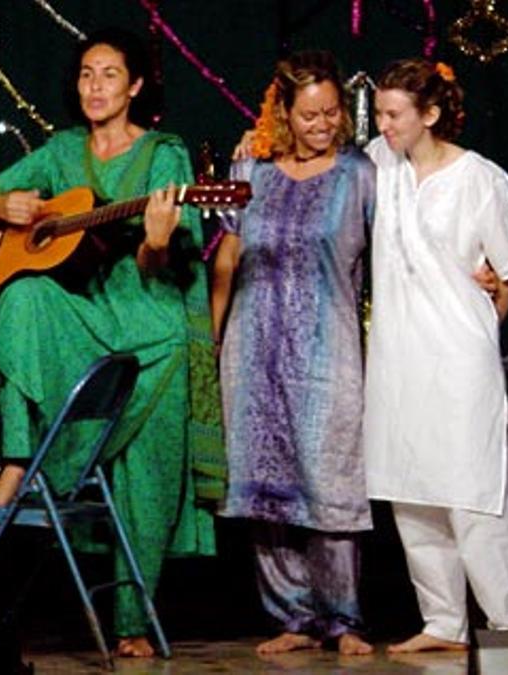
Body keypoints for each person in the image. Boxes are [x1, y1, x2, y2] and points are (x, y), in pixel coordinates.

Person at [0, 27, 222, 658]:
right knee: (22, 296)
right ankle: (18, 463)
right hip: (85, 317)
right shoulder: (62, 150)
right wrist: (4, 210)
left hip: (149, 326)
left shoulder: (164, 153)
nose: (95, 86)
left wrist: (155, 239)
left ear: (134, 87)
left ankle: (133, 622)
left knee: (144, 481)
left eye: (109, 75)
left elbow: (168, 262)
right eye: (86, 74)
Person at [363, 58, 508, 653]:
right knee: (412, 490)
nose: (382, 125)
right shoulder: (381, 164)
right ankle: (442, 622)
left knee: (474, 495)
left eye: (394, 115)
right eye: (379, 113)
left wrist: (477, 334)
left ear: (429, 115)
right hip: (397, 359)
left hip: (458, 359)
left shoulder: (481, 179)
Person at [211, 51, 375, 657]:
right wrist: (213, 335)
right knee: (266, 489)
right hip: (253, 349)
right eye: (309, 115)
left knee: (328, 482)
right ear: (284, 113)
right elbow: (228, 256)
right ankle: (292, 619)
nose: (323, 125)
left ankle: (345, 620)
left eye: (331, 112)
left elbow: (395, 253)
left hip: (326, 352)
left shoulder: (360, 174)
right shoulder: (249, 168)